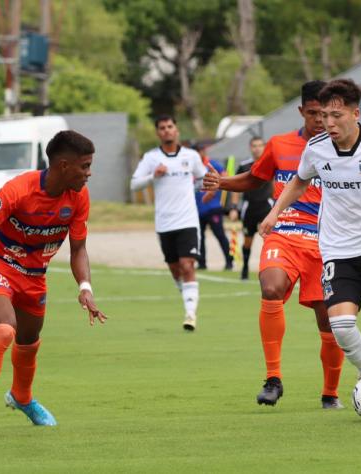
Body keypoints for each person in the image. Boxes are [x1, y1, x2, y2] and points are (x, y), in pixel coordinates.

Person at [260, 78, 361, 417]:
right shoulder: (317, 148)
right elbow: (299, 181)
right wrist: (274, 213)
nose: (327, 123)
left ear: (354, 113)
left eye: (335, 115)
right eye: (323, 116)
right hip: (337, 250)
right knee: (342, 327)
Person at [0, 130, 106, 439]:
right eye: (84, 166)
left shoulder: (79, 197)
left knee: (28, 342)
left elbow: (79, 249)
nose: (89, 173)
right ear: (63, 165)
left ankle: (22, 397)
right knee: (5, 329)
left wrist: (86, 288)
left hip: (33, 275)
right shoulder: (19, 190)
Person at [202, 80, 346, 409]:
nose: (320, 121)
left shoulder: (343, 148)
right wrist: (223, 181)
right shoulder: (280, 144)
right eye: (313, 114)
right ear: (301, 111)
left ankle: (330, 393)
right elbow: (256, 177)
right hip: (284, 233)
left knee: (329, 320)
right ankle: (273, 379)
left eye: (325, 115)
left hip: (327, 242)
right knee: (270, 288)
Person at [131, 116, 207, 331]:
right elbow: (134, 185)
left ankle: (190, 314)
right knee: (175, 269)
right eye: (162, 128)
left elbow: (202, 179)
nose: (167, 131)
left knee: (187, 265)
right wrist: (152, 177)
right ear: (158, 133)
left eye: (170, 127)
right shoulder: (151, 158)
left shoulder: (190, 156)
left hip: (188, 220)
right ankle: (187, 299)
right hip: (164, 223)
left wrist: (207, 190)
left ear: (177, 130)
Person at [228, 136, 273, 280]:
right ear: (250, 147)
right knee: (248, 240)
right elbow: (236, 187)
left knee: (270, 240)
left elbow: (279, 183)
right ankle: (245, 268)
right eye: (254, 145)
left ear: (264, 147)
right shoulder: (244, 166)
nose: (257, 148)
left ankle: (269, 271)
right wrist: (234, 207)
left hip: (267, 206)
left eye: (260, 145)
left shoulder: (271, 163)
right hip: (250, 207)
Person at [195, 154, 234, 270]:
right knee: (199, 237)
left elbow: (225, 176)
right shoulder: (192, 166)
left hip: (213, 207)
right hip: (197, 209)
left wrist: (215, 190)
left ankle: (229, 261)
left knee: (220, 235)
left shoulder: (212, 164)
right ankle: (201, 263)